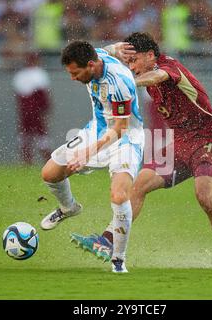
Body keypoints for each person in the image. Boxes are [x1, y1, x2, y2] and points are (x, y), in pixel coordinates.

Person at [71, 32, 212, 270]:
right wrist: (114, 56)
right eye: (129, 63)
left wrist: (127, 80)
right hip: (177, 142)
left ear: (150, 55)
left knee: (205, 197)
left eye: (134, 61)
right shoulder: (144, 75)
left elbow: (159, 75)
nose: (132, 67)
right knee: (138, 186)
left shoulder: (168, 66)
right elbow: (96, 58)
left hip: (207, 138)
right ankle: (106, 241)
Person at [39, 41, 144, 273]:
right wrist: (116, 46)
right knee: (50, 173)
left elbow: (120, 128)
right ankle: (68, 208)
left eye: (76, 73)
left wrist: (88, 152)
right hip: (96, 129)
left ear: (90, 66)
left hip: (126, 138)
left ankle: (118, 259)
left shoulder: (120, 82)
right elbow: (103, 50)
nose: (73, 78)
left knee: (118, 195)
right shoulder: (95, 56)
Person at [12, 52, 53, 164]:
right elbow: (42, 95)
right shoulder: (39, 73)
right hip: (35, 110)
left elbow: (19, 96)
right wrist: (45, 108)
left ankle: (27, 160)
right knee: (40, 134)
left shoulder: (20, 75)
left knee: (26, 134)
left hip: (25, 110)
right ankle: (47, 160)